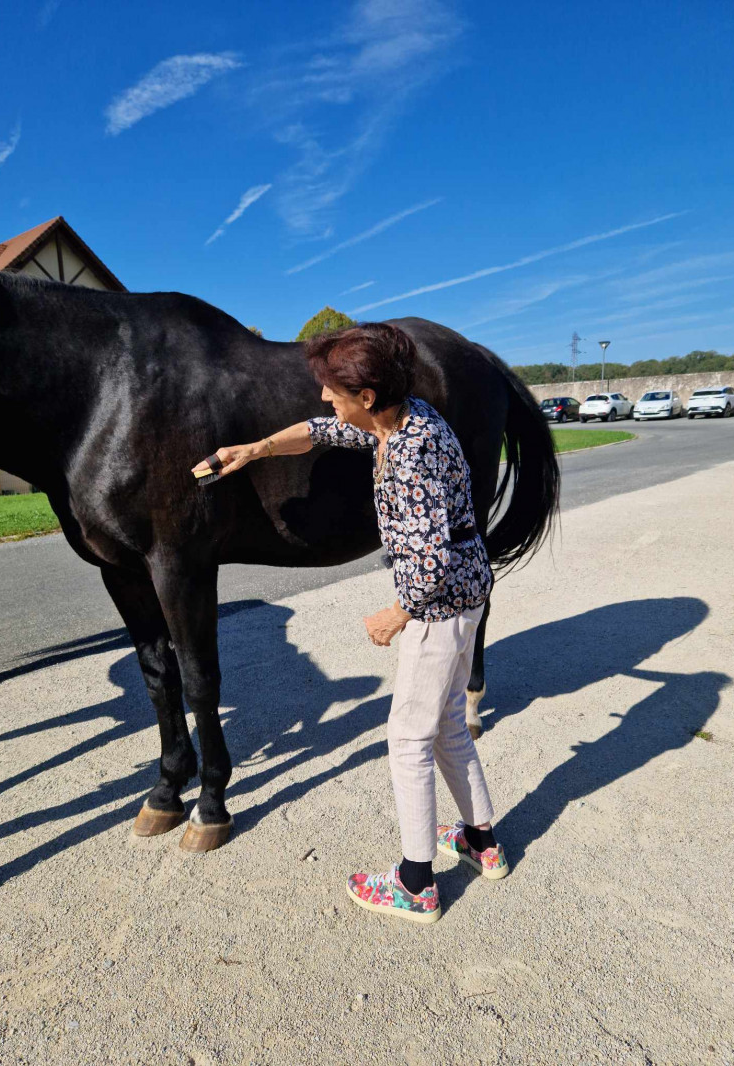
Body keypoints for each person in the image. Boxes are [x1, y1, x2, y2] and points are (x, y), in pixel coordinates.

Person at [192, 322, 507, 924]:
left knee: (409, 738)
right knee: (446, 725)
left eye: (331, 388)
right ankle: (481, 841)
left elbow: (432, 557)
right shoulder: (400, 417)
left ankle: (415, 883)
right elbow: (318, 431)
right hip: (466, 593)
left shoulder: (411, 451)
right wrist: (253, 449)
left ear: (366, 396)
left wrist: (398, 614)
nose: (321, 397)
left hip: (440, 603)